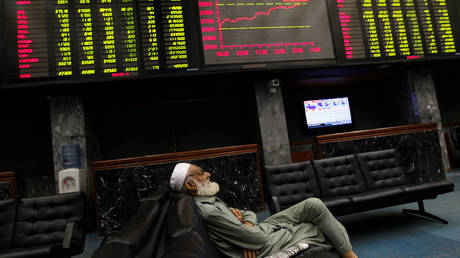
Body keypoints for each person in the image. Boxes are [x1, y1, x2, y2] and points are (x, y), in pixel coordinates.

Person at [169, 163, 358, 258]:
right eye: (201, 173)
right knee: (314, 227)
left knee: (313, 204)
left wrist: (246, 223)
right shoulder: (209, 211)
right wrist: (246, 234)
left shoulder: (208, 197)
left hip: (258, 229)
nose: (208, 174)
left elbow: (248, 212)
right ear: (191, 185)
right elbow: (256, 240)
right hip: (263, 244)